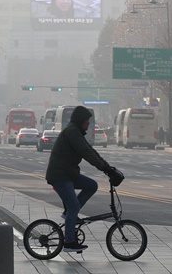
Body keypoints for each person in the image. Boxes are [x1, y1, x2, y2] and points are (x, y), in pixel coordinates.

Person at [46, 105, 119, 253]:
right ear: (80, 120)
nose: (88, 123)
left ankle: (69, 216)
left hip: (68, 174)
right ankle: (69, 242)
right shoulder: (72, 132)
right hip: (60, 176)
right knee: (73, 207)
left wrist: (107, 167)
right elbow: (86, 153)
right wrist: (104, 169)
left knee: (91, 185)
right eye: (86, 120)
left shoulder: (77, 132)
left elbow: (91, 150)